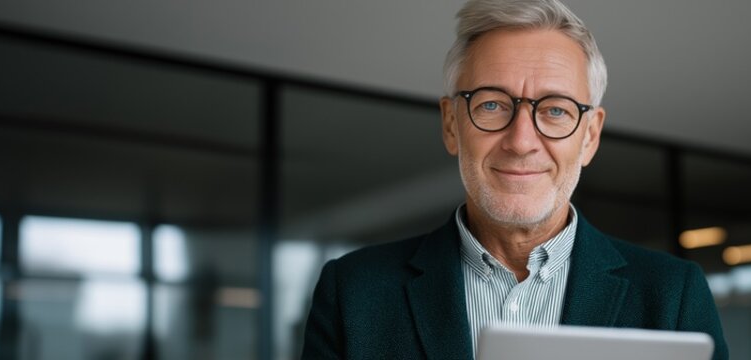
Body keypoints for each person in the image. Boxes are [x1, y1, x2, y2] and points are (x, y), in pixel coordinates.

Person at [301, 0, 728, 359]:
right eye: (491, 105)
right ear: (451, 124)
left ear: (590, 137)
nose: (522, 141)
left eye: (556, 110)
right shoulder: (354, 292)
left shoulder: (674, 296)